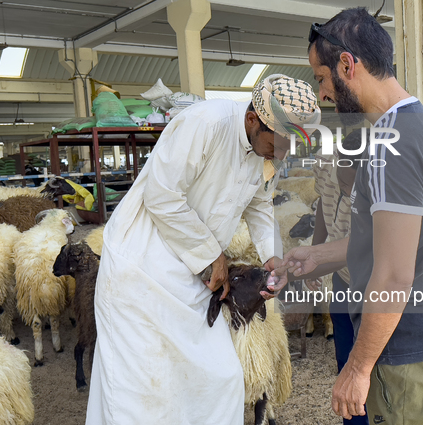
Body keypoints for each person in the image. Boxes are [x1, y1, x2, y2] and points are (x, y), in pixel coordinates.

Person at [85, 74, 320, 425]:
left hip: (190, 279)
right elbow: (161, 195)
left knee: (221, 377)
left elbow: (259, 204)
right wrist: (213, 254)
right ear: (253, 119)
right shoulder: (204, 124)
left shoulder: (262, 147)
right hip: (142, 273)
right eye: (280, 143)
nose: (282, 153)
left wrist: (272, 255)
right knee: (145, 392)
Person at [280, 8, 423, 425]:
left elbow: (395, 275)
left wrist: (359, 368)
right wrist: (316, 257)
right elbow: (394, 243)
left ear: (348, 64)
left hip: (404, 350)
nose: (323, 93)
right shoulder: (420, 125)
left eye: (321, 77)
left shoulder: (390, 144)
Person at [310, 128, 368, 425]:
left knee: (371, 362)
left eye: (353, 190)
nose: (348, 194)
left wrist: (320, 259)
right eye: (344, 186)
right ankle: (354, 420)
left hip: (372, 279)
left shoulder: (383, 178)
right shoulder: (325, 160)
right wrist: (316, 252)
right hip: (344, 279)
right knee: (345, 358)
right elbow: (323, 202)